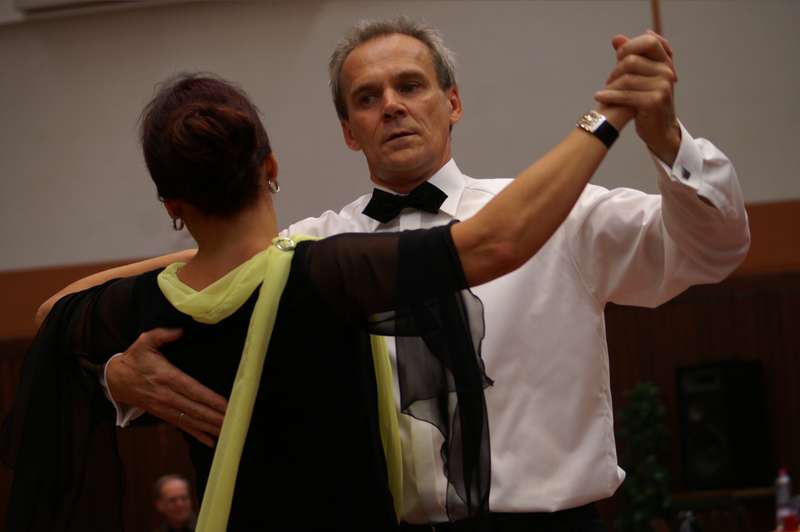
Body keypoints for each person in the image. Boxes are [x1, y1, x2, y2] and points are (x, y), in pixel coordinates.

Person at [4, 63, 632, 531]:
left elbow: (54, 312)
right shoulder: (327, 270)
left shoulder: (148, 303)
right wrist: (606, 117)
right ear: (271, 167)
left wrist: (115, 374)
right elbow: (497, 240)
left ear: (172, 204)